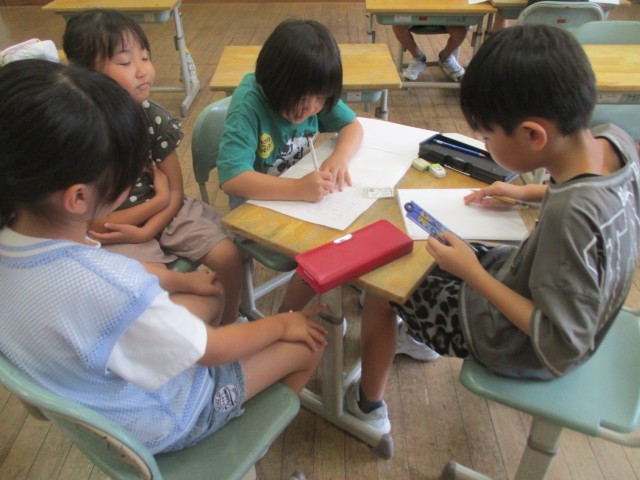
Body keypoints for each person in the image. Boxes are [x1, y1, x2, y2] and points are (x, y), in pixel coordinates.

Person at [0, 59, 327, 454]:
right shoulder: (110, 286)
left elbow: (35, 408)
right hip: (169, 419)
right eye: (124, 167)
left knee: (211, 296)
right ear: (79, 198)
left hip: (93, 403)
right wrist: (282, 324)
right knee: (310, 343)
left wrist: (184, 281)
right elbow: (213, 350)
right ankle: (245, 445)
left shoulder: (18, 241)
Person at [354, 24, 640, 433]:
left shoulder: (572, 217)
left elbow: (559, 342)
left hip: (521, 345)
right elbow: (588, 195)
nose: (486, 146)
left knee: (386, 283)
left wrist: (472, 272)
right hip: (554, 291)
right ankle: (416, 334)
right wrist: (526, 193)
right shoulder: (614, 143)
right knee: (434, 246)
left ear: (533, 135)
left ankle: (367, 408)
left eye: (487, 137)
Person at [216, 18, 436, 362]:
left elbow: (353, 127)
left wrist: (338, 159)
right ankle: (286, 320)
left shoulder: (311, 92)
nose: (312, 109)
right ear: (274, 82)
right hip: (259, 207)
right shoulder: (249, 104)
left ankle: (357, 291)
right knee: (330, 250)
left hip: (304, 198)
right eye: (302, 101)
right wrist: (297, 189)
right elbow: (232, 177)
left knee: (365, 227)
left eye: (321, 100)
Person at [62, 9, 244, 326]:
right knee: (152, 291)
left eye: (145, 57)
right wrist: (155, 207)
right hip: (117, 232)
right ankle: (198, 339)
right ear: (87, 73)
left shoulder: (151, 115)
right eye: (125, 62)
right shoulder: (84, 133)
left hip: (170, 211)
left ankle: (230, 328)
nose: (143, 70)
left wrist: (155, 216)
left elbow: (175, 190)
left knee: (229, 256)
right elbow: (97, 224)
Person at [393, 25, 467, 82]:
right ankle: (418, 58)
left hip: (446, 15)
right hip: (416, 14)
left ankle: (445, 57)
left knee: (461, 30)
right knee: (398, 26)